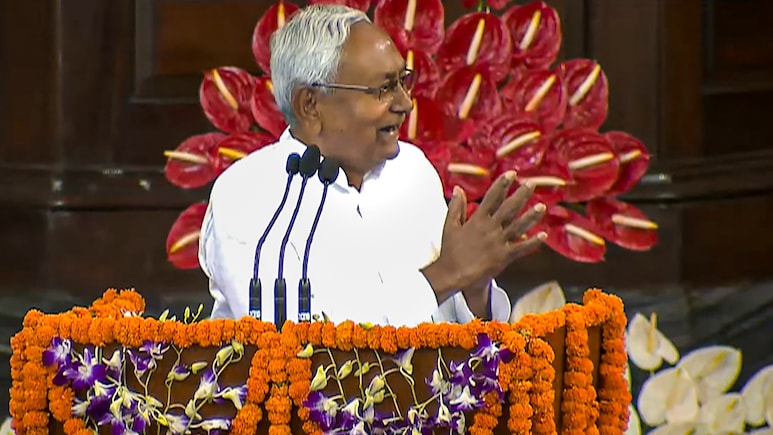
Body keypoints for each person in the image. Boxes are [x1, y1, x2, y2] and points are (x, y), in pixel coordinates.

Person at [198, 4, 547, 326]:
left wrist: (474, 285)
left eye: (402, 81)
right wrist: (445, 275)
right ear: (311, 105)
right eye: (383, 89)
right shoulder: (250, 195)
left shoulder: (413, 171)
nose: (405, 104)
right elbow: (294, 347)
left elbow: (463, 324)